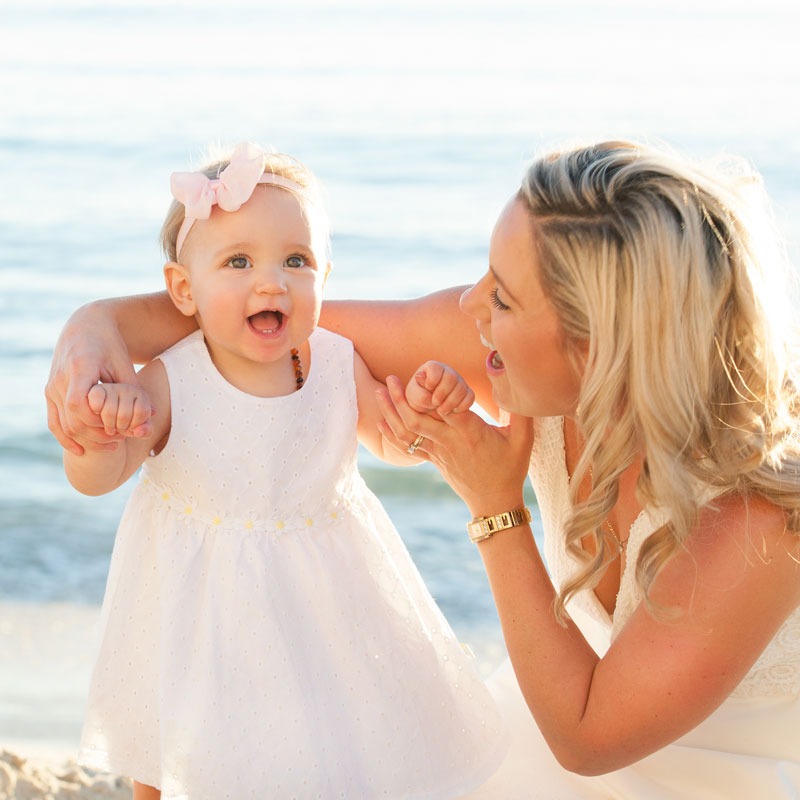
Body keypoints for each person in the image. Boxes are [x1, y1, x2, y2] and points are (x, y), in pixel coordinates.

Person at [46, 139, 800, 798]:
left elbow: (589, 736)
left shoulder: (759, 516)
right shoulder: (520, 353)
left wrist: (496, 506)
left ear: (595, 344)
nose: (468, 306)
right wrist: (94, 329)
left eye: (501, 296)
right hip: (557, 731)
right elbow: (259, 323)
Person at [59, 141, 507, 800]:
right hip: (199, 601)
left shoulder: (330, 359)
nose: (271, 281)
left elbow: (388, 440)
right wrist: (101, 434)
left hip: (325, 595)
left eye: (296, 261)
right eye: (238, 261)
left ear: (325, 273)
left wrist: (419, 418)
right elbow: (95, 479)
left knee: (333, 736)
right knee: (173, 745)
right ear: (184, 290)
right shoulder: (169, 379)